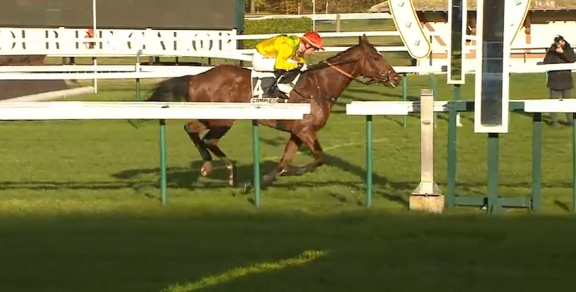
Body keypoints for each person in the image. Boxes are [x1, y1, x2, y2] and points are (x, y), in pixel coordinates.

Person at [252, 32, 325, 99]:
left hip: (269, 57)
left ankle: (284, 87)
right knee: (292, 63)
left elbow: (300, 61)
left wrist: (303, 66)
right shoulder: (288, 45)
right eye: (314, 49)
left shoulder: (297, 46)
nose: (312, 53)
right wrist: (297, 66)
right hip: (260, 58)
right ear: (307, 45)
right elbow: (279, 65)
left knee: (297, 64)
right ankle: (277, 88)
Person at [543, 35, 576, 127]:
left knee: (568, 103)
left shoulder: (569, 50)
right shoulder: (551, 51)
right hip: (554, 81)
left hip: (566, 81)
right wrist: (552, 52)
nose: (560, 44)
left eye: (561, 42)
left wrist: (562, 53)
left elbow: (572, 59)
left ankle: (570, 121)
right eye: (558, 42)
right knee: (553, 103)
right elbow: (546, 62)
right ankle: (554, 121)